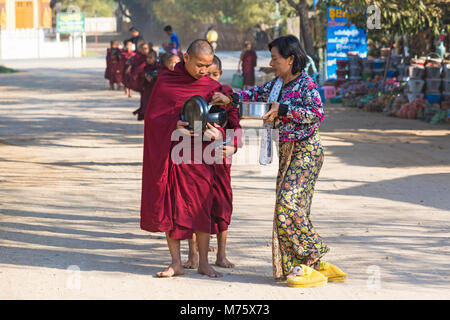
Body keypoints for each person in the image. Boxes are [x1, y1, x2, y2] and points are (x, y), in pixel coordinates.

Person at [211, 35, 345, 283]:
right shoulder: (276, 84)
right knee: (294, 209)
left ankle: (313, 254)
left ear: (290, 58)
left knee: (287, 205)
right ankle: (302, 265)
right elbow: (253, 94)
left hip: (307, 151)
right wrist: (229, 98)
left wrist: (284, 110)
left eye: (275, 58)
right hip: (286, 152)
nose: (271, 63)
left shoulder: (306, 84)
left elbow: (317, 114)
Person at [140, 39, 232, 278]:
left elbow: (224, 118)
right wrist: (173, 125)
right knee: (172, 209)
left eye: (208, 65)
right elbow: (152, 118)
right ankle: (176, 263)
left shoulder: (210, 86)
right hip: (173, 155)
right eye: (200, 64)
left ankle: (204, 262)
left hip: (200, 156)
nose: (204, 70)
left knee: (202, 208)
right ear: (186, 58)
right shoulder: (166, 82)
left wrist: (219, 133)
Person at [183, 55, 242, 270]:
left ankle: (222, 254)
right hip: (194, 155)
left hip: (220, 157)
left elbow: (235, 123)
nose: (211, 80)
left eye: (215, 75)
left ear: (221, 74)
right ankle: (193, 254)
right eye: (207, 74)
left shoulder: (226, 95)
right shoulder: (192, 93)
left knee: (222, 203)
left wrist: (234, 145)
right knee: (195, 205)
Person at [135, 51, 159, 121]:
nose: (148, 59)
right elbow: (140, 78)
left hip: (155, 92)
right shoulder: (145, 68)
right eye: (147, 57)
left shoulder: (158, 68)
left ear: (155, 58)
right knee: (146, 108)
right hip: (146, 91)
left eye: (151, 57)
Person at [129, 43, 150, 117]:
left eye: (146, 48)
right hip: (142, 80)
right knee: (143, 97)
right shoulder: (138, 57)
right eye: (143, 48)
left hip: (150, 81)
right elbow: (135, 66)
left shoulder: (151, 56)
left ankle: (146, 112)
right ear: (140, 49)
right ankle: (143, 111)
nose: (144, 50)